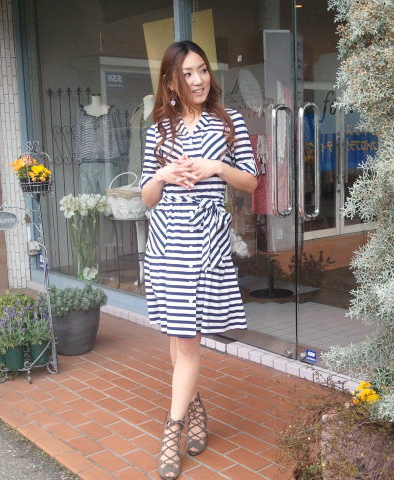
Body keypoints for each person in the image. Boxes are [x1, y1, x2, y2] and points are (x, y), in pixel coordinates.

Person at [139, 41, 258, 480]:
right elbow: (147, 198)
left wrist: (216, 168)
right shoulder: (158, 131)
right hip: (165, 240)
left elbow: (250, 182)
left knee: (188, 339)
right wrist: (162, 175)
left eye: (203, 70)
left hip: (204, 239)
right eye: (187, 73)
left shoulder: (229, 122)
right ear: (171, 82)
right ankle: (196, 410)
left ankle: (171, 432)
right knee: (177, 335)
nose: (198, 80)